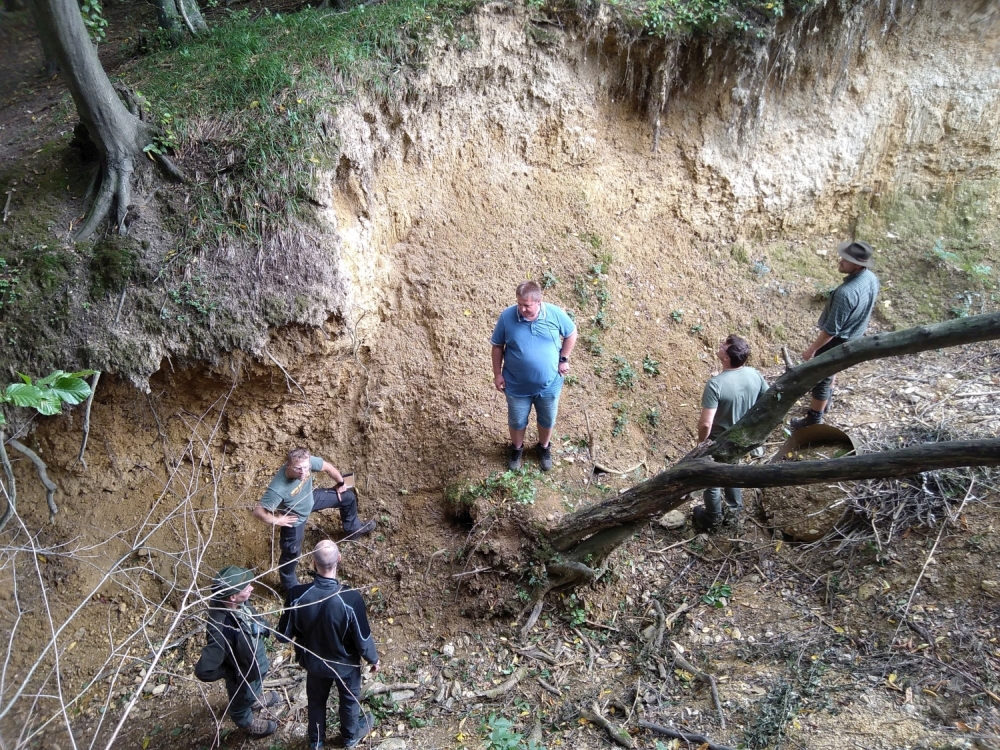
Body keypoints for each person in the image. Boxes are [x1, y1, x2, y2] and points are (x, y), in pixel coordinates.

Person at [279, 540, 380, 750]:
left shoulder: (296, 596)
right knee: (349, 700)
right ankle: (350, 737)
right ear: (339, 559)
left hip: (314, 663)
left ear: (313, 562)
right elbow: (362, 639)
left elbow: (282, 635)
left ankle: (316, 742)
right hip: (345, 666)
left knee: (316, 701)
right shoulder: (351, 599)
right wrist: (373, 659)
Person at [253, 447, 375, 591]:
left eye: (305, 467)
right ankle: (291, 589)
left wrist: (341, 483)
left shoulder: (308, 463)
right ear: (288, 466)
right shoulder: (278, 488)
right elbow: (258, 511)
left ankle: (354, 529)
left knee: (347, 497)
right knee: (291, 553)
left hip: (310, 499)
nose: (303, 472)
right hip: (294, 518)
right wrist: (278, 520)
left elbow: (328, 467)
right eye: (298, 468)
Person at [790, 240, 880, 430]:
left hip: (839, 339)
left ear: (857, 265)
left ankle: (814, 420)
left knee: (821, 376)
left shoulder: (845, 293)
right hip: (855, 335)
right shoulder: (870, 278)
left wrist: (812, 350)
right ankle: (827, 400)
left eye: (845, 260)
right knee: (832, 370)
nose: (840, 261)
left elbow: (831, 331)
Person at [491, 280, 578, 471]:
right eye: (519, 303)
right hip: (516, 385)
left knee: (547, 418)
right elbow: (497, 346)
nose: (521, 309)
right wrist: (497, 374)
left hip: (550, 384)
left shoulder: (554, 314)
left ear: (539, 301)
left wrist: (563, 358)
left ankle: (543, 448)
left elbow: (571, 333)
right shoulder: (507, 317)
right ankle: (516, 449)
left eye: (527, 305)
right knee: (517, 420)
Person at [692, 335, 769, 532]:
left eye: (724, 346)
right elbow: (767, 402)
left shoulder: (715, 384)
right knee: (733, 472)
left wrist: (702, 443)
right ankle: (734, 512)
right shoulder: (755, 374)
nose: (720, 345)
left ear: (727, 358)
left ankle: (713, 519)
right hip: (742, 439)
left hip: (719, 440)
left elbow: (706, 423)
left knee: (712, 479)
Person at [194, 565, 280, 737]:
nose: (252, 588)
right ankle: (246, 722)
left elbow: (251, 615)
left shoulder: (237, 601)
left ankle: (254, 699)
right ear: (232, 597)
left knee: (254, 687)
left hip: (255, 663)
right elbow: (204, 671)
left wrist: (262, 627)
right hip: (243, 677)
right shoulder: (220, 628)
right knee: (240, 702)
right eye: (247, 587)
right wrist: (232, 672)